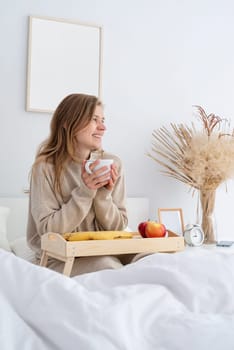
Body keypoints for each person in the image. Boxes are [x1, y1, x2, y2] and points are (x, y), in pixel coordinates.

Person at [27, 93, 135, 276]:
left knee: (153, 259)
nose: (103, 127)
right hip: (60, 258)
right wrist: (86, 192)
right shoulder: (45, 168)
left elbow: (119, 227)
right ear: (68, 123)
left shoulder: (111, 163)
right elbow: (48, 233)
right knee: (108, 267)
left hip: (105, 251)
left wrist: (103, 195)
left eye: (103, 120)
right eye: (94, 120)